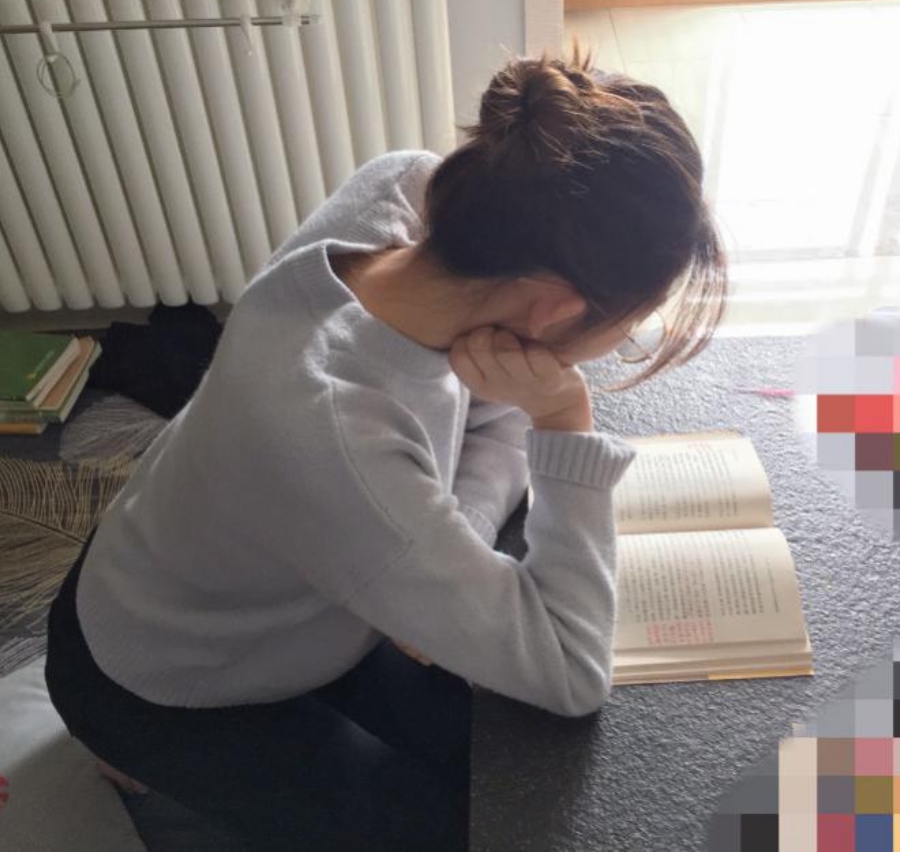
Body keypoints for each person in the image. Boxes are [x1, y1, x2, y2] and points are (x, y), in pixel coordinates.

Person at [44, 47, 726, 851]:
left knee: (513, 759)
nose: (622, 342)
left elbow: (485, 417)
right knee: (466, 829)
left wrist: (450, 530)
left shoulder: (407, 192)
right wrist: (562, 421)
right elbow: (570, 668)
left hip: (210, 564)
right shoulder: (339, 440)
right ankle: (128, 751)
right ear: (553, 307)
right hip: (163, 674)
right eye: (629, 324)